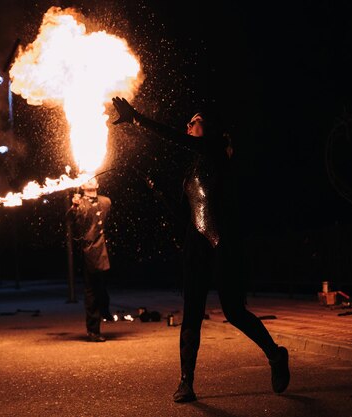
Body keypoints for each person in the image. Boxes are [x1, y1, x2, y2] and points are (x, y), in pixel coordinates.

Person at [110, 96, 290, 401]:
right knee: (191, 315)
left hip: (223, 245)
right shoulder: (191, 172)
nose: (188, 125)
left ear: (210, 126)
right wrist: (155, 189)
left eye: (195, 121)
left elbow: (177, 139)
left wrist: (137, 118)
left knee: (234, 312)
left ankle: (275, 355)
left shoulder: (217, 151)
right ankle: (186, 382)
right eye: (189, 122)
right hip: (196, 247)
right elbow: (186, 215)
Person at [66, 177, 114, 342]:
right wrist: (74, 206)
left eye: (93, 178)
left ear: (98, 184)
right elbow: (71, 220)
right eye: (87, 179)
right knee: (91, 291)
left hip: (106, 250)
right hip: (90, 251)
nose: (91, 181)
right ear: (82, 184)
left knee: (102, 289)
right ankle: (93, 331)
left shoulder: (106, 201)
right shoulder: (80, 204)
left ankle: (105, 309)